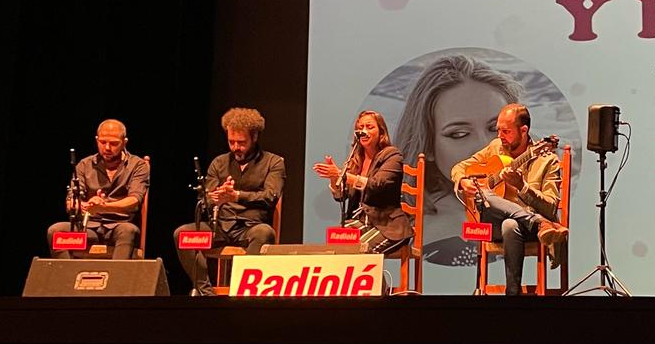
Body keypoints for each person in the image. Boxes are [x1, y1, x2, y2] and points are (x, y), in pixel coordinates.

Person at [394, 54, 521, 266]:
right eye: (459, 134)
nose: (485, 146)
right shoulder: (429, 229)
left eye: (495, 129)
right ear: (428, 144)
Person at [451, 103, 568, 296]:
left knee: (510, 224)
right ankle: (540, 223)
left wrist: (522, 187)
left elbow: (550, 208)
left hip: (529, 231)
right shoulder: (496, 147)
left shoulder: (547, 160)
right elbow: (459, 167)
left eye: (506, 131)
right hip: (495, 223)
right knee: (483, 191)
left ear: (524, 130)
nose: (500, 136)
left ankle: (512, 294)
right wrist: (462, 180)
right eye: (498, 130)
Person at [173, 107, 286, 295]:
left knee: (264, 233)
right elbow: (205, 198)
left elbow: (270, 196)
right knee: (182, 234)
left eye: (241, 143)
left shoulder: (273, 162)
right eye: (231, 142)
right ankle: (205, 292)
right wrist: (215, 198)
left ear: (254, 137)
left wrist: (237, 195)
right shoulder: (219, 163)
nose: (235, 147)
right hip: (220, 227)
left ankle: (241, 291)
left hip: (250, 227)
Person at [312, 110, 413, 255]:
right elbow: (341, 197)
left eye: (369, 127)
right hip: (359, 222)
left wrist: (342, 174)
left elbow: (377, 185)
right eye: (360, 128)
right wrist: (334, 178)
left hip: (387, 226)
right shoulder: (355, 159)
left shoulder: (392, 155)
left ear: (381, 132)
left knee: (359, 251)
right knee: (334, 249)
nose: (363, 131)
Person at [46, 119, 149, 259]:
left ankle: (116, 273)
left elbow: (134, 200)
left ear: (124, 142)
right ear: (96, 140)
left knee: (128, 231)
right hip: (88, 227)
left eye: (114, 143)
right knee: (56, 231)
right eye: (102, 142)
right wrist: (87, 205)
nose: (107, 148)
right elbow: (71, 202)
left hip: (119, 227)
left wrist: (104, 207)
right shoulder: (84, 165)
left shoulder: (137, 165)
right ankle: (68, 272)